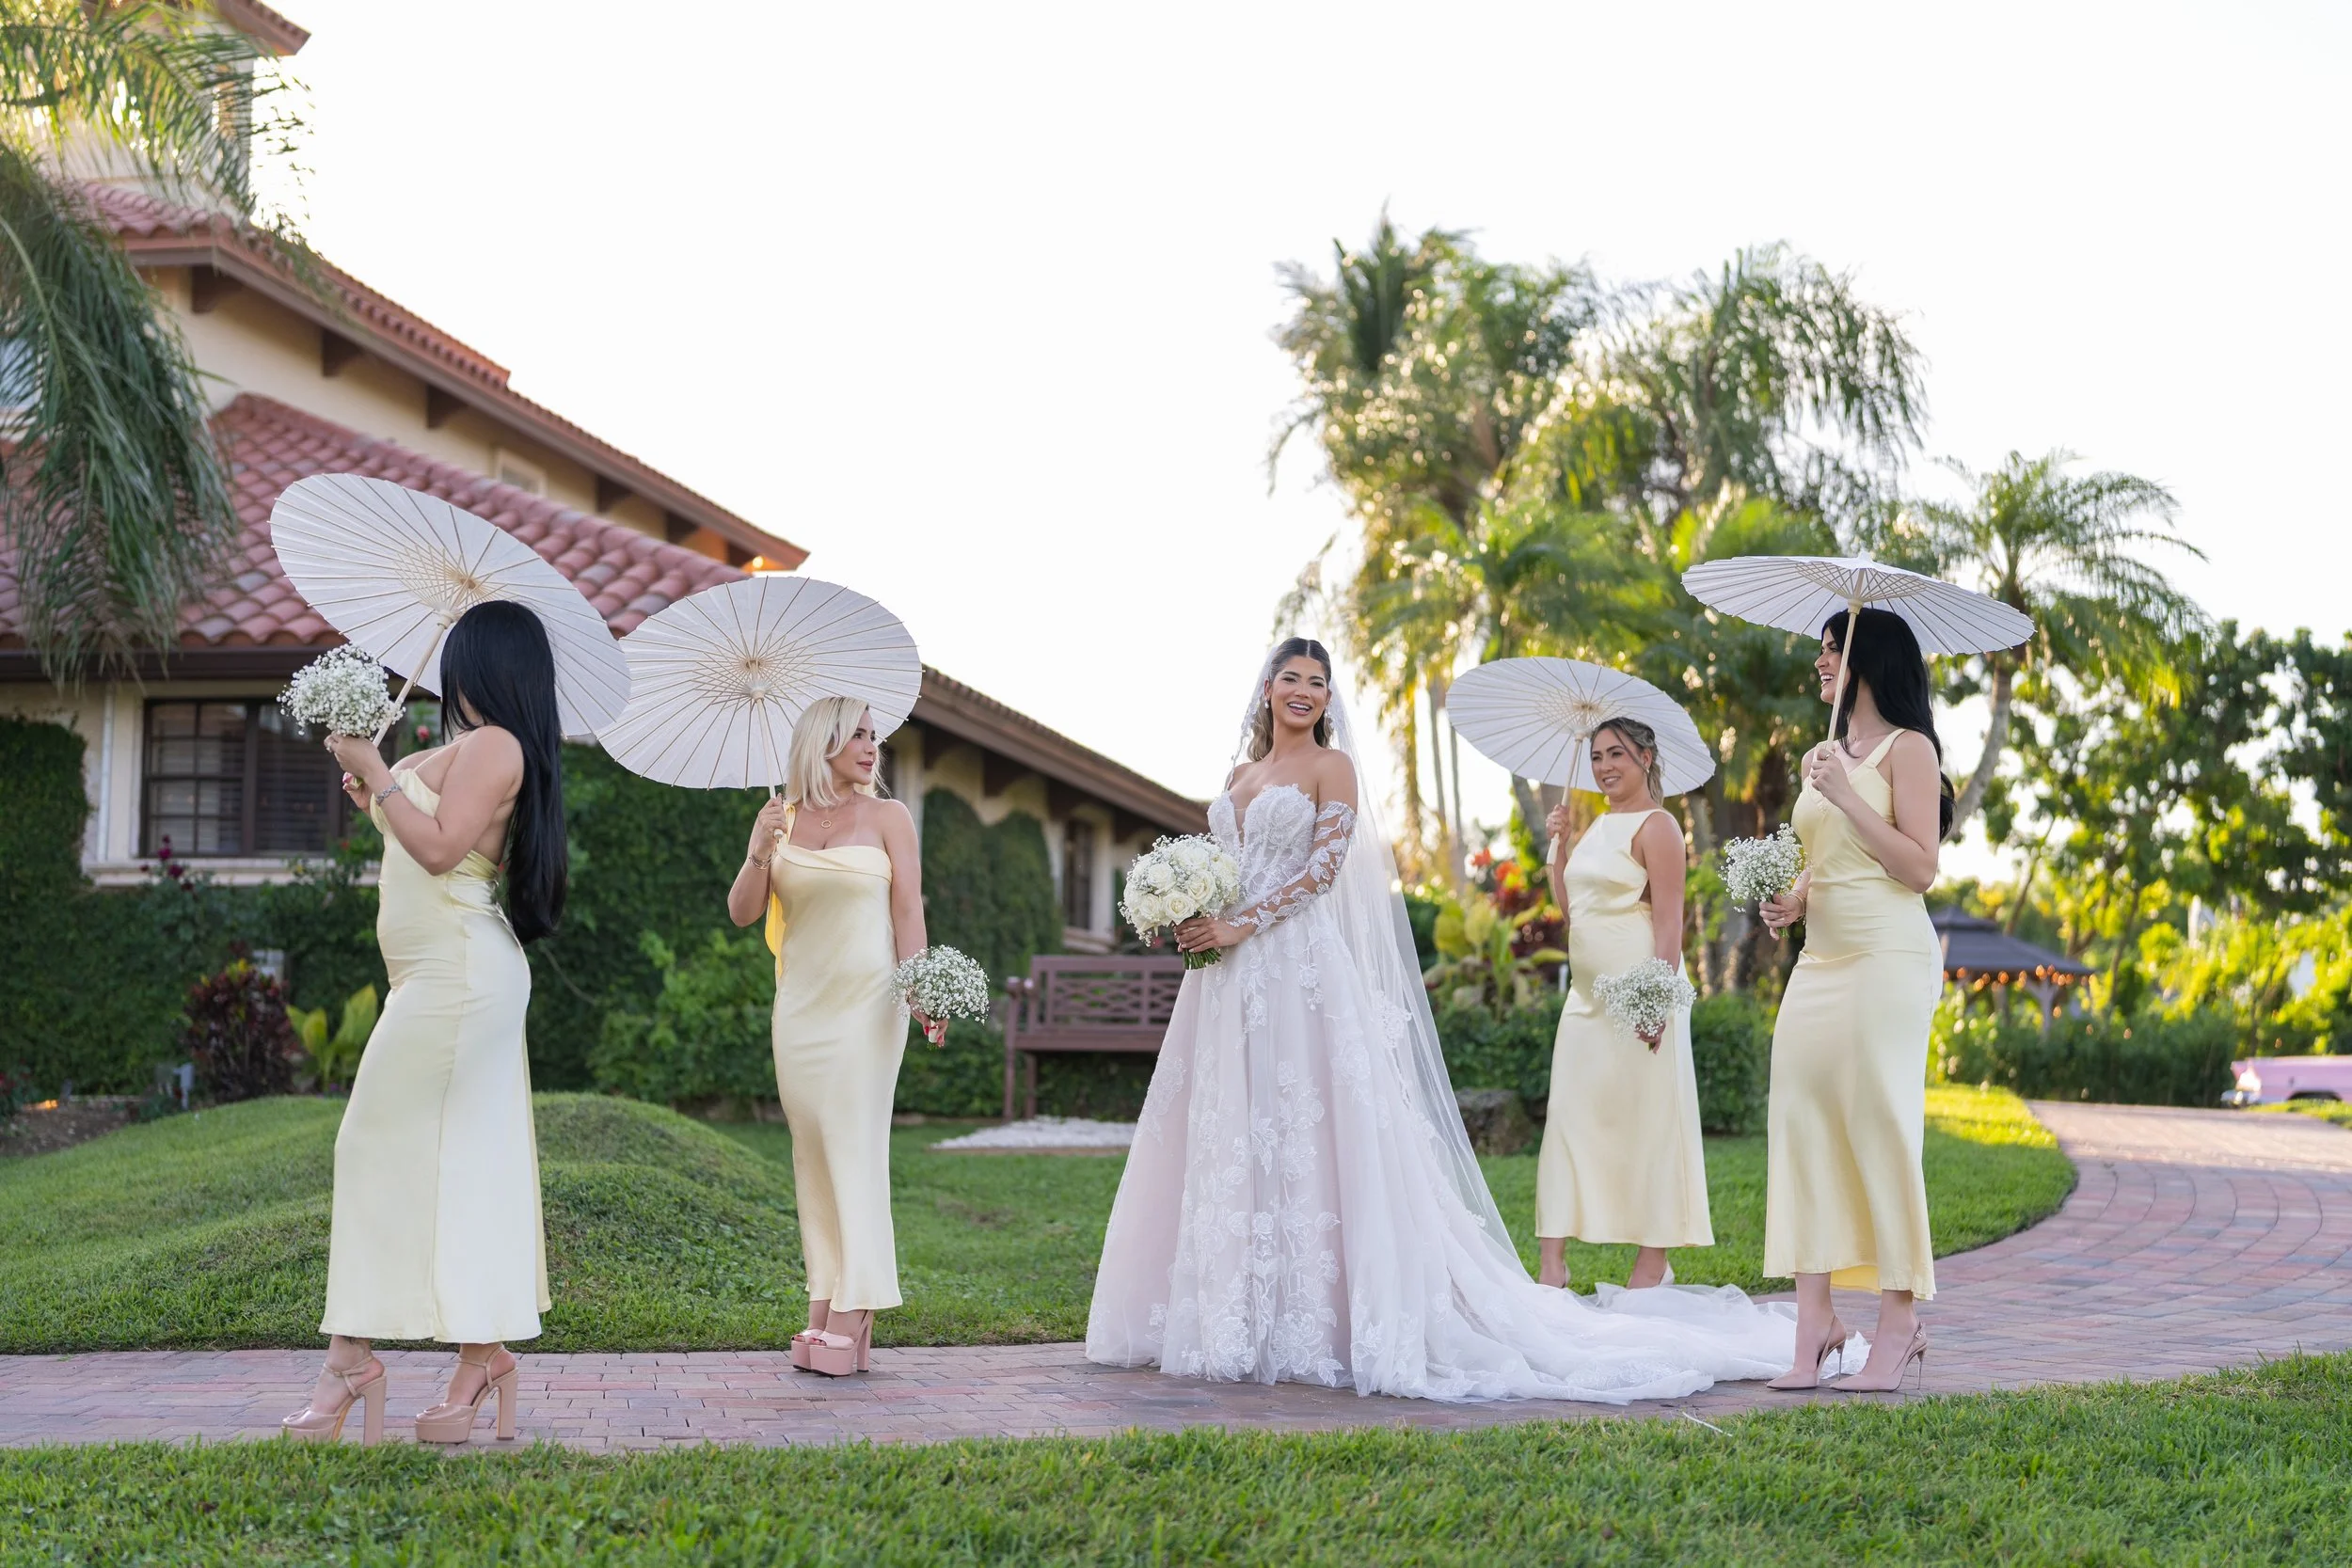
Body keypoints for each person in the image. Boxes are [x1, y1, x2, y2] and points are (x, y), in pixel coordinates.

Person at [1086, 639, 1803, 1402]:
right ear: (1266, 689)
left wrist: (1238, 924)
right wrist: (1190, 914)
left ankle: (1328, 1314)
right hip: (1227, 982)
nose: (1303, 691)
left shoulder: (1335, 769)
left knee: (1310, 1127)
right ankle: (1235, 1312)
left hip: (1298, 967)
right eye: (1290, 678)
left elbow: (1322, 873)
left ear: (1329, 700)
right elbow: (1228, 870)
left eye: (1318, 682)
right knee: (1234, 1128)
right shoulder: (1237, 777)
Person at [290, 600, 564, 1446]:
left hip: (457, 970)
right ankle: (482, 1356)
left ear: (483, 663)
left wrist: (378, 772)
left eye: (458, 654)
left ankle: (350, 1360)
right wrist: (374, 779)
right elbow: (416, 830)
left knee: (368, 1140)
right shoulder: (458, 747)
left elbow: (443, 848)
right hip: (436, 971)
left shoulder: (498, 746)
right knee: (465, 1163)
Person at [1758, 607, 1948, 1393]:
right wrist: (1797, 898)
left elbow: (1918, 866)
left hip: (1889, 958)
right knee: (1799, 1122)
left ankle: (1899, 1320)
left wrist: (1845, 792)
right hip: (1822, 961)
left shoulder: (1912, 749)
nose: (1820, 664)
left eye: (1831, 650)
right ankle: (1816, 1322)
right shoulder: (1826, 753)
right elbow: (1830, 854)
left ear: (1867, 655)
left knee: (1879, 1124)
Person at [725, 697, 936, 1377]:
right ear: (823, 741)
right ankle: (825, 1299)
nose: (871, 746)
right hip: (800, 1011)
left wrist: (922, 987)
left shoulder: (889, 817)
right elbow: (742, 912)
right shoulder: (778, 820)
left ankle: (855, 1308)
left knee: (853, 1146)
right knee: (812, 1154)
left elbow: (908, 908)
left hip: (869, 1008)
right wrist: (759, 852)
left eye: (875, 735)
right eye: (857, 734)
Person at [1534, 718, 1710, 1292]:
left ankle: (1652, 1264)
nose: (1605, 766)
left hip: (1638, 994)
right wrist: (1558, 850)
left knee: (1650, 1119)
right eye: (1597, 757)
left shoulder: (1658, 827)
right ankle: (1552, 1265)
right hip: (1585, 1001)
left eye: (1617, 754)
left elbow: (1669, 924)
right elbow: (1573, 909)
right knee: (1567, 1116)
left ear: (1646, 757)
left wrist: (1655, 1001)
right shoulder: (1597, 826)